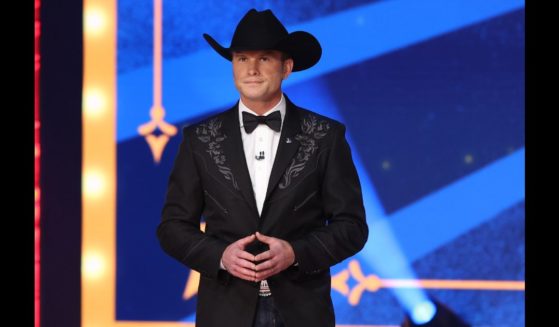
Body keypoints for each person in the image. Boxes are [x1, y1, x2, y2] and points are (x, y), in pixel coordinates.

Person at [157, 8, 368, 327]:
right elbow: (172, 227)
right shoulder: (199, 139)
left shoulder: (326, 136)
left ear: (287, 67)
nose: (252, 69)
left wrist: (296, 253)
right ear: (232, 66)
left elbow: (352, 226)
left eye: (265, 58)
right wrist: (220, 256)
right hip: (225, 312)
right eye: (242, 58)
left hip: (302, 313)